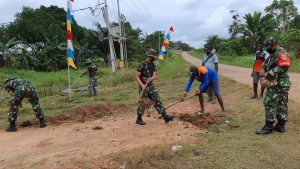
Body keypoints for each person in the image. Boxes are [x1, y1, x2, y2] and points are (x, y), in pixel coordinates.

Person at [256, 37, 291, 135]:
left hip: (278, 83)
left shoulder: (281, 53)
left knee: (269, 102)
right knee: (281, 103)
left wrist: (267, 74)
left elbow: (284, 66)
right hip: (279, 83)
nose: (267, 48)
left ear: (274, 45)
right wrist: (263, 69)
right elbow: (268, 64)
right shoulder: (274, 54)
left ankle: (268, 127)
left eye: (268, 46)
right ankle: (280, 126)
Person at [135, 48, 175, 125]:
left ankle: (165, 117)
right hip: (143, 86)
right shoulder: (142, 65)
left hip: (151, 86)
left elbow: (154, 75)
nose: (154, 58)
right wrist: (142, 85)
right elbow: (136, 77)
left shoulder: (153, 64)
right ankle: (139, 119)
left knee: (157, 99)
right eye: (152, 56)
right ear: (149, 56)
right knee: (143, 102)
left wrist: (151, 79)